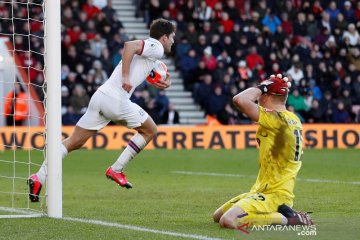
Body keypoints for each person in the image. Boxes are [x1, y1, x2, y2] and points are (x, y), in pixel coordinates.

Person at [27, 18, 175, 202]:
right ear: (163, 37)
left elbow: (149, 70)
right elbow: (129, 46)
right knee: (150, 130)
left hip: (100, 97)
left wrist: (163, 83)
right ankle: (116, 169)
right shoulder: (157, 47)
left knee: (74, 142)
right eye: (172, 37)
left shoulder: (151, 54)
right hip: (116, 100)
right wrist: (126, 77)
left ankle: (38, 177)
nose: (173, 41)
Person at [213, 74, 313, 228]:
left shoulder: (275, 118)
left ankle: (288, 219)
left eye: (261, 95)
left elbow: (239, 100)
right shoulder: (292, 118)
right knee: (217, 216)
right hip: (262, 190)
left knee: (227, 221)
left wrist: (263, 86)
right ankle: (283, 213)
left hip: (274, 194)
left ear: (266, 97)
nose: (258, 97)